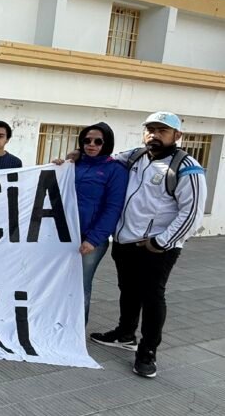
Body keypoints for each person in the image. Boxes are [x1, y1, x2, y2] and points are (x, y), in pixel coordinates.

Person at [90, 112, 206, 379]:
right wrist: (75, 155)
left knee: (153, 297)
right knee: (128, 290)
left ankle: (147, 351)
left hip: (156, 247)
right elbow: (107, 158)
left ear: (177, 136)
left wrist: (160, 241)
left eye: (162, 130)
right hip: (125, 240)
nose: (155, 134)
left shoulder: (187, 168)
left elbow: (192, 213)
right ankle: (125, 333)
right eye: (150, 129)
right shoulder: (136, 156)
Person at [72, 123, 128, 324]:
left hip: (90, 240)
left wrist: (94, 239)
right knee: (58, 283)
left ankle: (77, 331)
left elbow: (113, 208)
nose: (91, 145)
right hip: (64, 235)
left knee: (81, 285)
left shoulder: (115, 170)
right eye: (87, 140)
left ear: (107, 143)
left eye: (97, 141)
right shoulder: (74, 164)